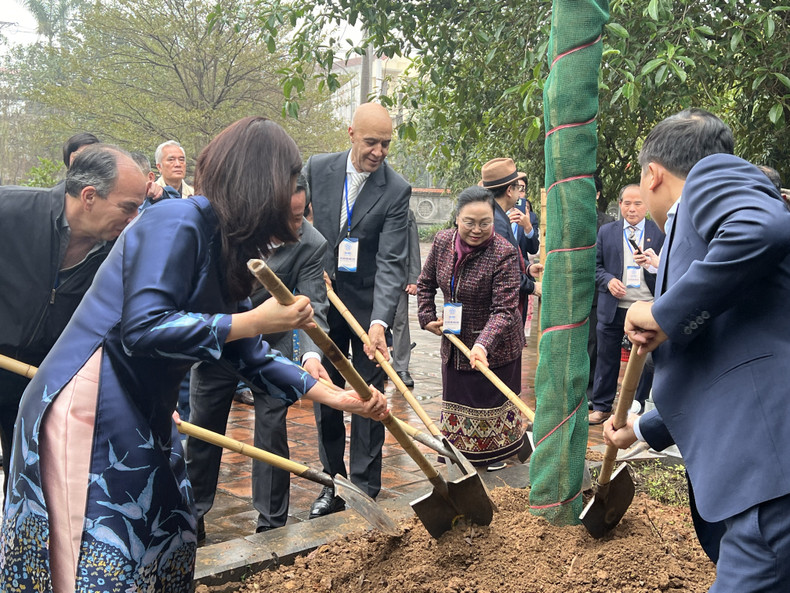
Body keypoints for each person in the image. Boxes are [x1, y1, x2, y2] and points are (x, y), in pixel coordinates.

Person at [0, 117, 388, 592]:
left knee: (171, 532)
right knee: (105, 550)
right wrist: (256, 320)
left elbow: (245, 352)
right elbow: (144, 328)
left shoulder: (225, 243)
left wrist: (334, 396)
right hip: (91, 400)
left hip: (144, 403)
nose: (297, 200)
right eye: (290, 182)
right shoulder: (176, 221)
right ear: (260, 184)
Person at [603, 108, 790, 589]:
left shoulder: (709, 176)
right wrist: (641, 429)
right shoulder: (698, 239)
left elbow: (762, 228)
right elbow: (723, 359)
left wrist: (661, 314)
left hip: (767, 470)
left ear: (652, 174)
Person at [186, 173, 332, 539]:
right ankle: (191, 516)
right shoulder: (235, 228)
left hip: (271, 348)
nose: (294, 227)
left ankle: (271, 523)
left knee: (272, 430)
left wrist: (311, 356)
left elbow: (314, 306)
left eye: (300, 216)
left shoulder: (312, 243)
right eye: (287, 217)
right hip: (221, 341)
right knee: (203, 430)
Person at [0, 144, 146, 496]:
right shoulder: (10, 209)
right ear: (89, 196)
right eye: (128, 207)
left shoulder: (119, 254)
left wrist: (149, 395)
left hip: (42, 377)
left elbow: (123, 326)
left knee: (30, 481)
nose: (134, 219)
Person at [304, 102, 411, 517]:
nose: (378, 152)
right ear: (351, 134)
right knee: (327, 393)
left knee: (369, 396)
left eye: (386, 144)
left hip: (368, 309)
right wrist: (310, 266)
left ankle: (365, 489)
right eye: (371, 142)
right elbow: (297, 221)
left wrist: (381, 321)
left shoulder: (396, 189)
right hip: (323, 300)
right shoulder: (318, 168)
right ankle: (333, 482)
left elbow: (391, 261)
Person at [417, 186, 526, 470]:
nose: (477, 230)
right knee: (458, 404)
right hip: (455, 343)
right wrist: (427, 316)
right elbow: (425, 283)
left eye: (485, 223)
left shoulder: (503, 252)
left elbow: (504, 310)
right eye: (469, 222)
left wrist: (482, 345)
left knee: (491, 410)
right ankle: (461, 460)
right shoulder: (442, 242)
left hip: (496, 348)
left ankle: (495, 459)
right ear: (457, 219)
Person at [588, 184, 664, 424]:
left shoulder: (659, 231)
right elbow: (596, 267)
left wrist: (651, 264)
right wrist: (608, 281)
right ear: (620, 205)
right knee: (606, 357)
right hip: (614, 305)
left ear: (646, 206)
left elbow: (668, 270)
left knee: (642, 357)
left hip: (645, 306)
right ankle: (602, 407)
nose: (632, 209)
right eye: (627, 203)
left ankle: (635, 407)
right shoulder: (607, 231)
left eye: (638, 203)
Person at [481, 158, 543, 315]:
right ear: (509, 191)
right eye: (518, 188)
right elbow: (506, 273)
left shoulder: (493, 215)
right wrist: (533, 287)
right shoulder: (498, 224)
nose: (520, 194)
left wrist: (527, 268)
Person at [391, 209, 420, 387]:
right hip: (369, 275)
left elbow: (413, 245)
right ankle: (374, 364)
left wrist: (413, 278)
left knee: (400, 320)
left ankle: (401, 367)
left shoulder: (405, 212)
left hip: (398, 274)